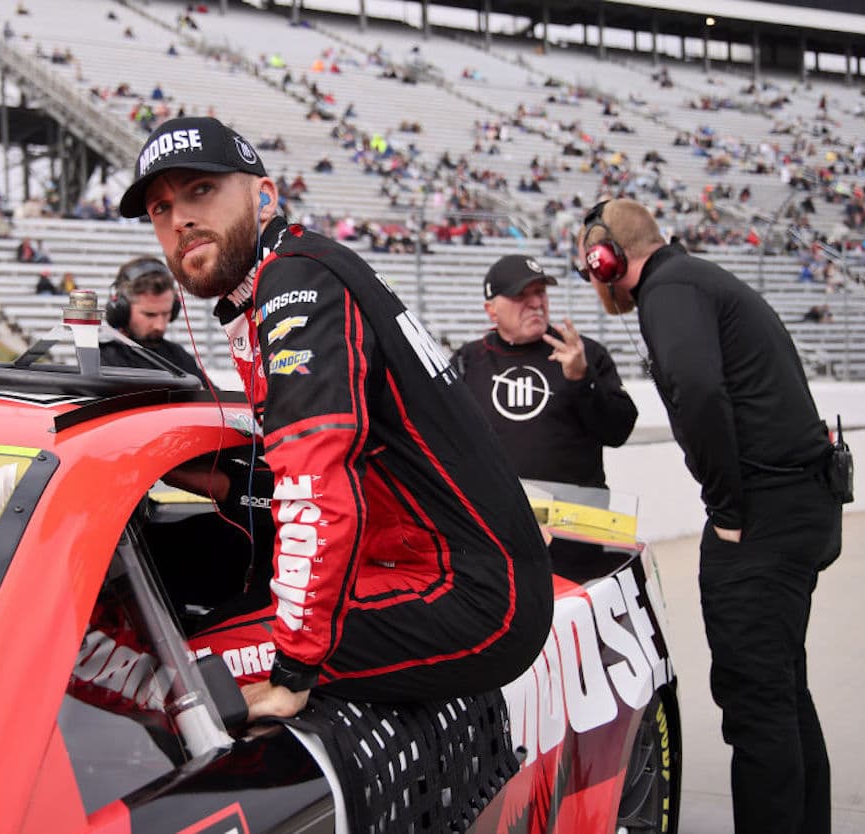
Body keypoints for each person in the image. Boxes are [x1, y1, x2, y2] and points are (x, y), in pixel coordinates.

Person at [118, 116, 552, 721]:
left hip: (466, 594)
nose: (180, 220)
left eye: (200, 191)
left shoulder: (297, 281)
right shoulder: (293, 271)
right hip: (450, 570)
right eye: (160, 209)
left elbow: (312, 485)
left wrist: (293, 670)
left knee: (170, 672)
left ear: (263, 195)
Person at [576, 198, 844, 834]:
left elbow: (697, 389)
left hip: (765, 517)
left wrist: (726, 506)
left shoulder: (669, 292)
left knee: (756, 704)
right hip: (798, 504)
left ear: (605, 259)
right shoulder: (694, 280)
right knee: (782, 694)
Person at [452, 255, 637, 488]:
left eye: (540, 292)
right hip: (500, 514)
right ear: (491, 310)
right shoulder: (467, 360)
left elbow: (618, 432)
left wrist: (583, 379)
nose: (536, 303)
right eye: (520, 295)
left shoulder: (583, 352)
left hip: (576, 515)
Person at [100, 256, 207, 385]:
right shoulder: (102, 359)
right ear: (122, 309)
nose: (160, 326)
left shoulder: (178, 356)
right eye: (149, 315)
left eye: (166, 313)